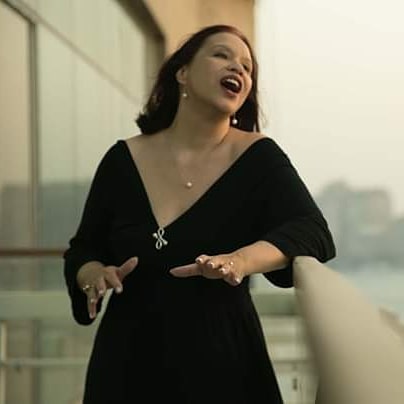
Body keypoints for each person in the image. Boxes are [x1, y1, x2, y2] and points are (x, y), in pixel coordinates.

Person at [63, 24, 336, 404]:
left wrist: (239, 261)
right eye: (222, 55)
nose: (238, 68)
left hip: (224, 364)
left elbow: (313, 231)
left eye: (247, 67)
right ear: (182, 72)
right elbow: (83, 248)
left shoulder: (258, 157)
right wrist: (92, 275)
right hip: (127, 362)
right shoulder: (122, 158)